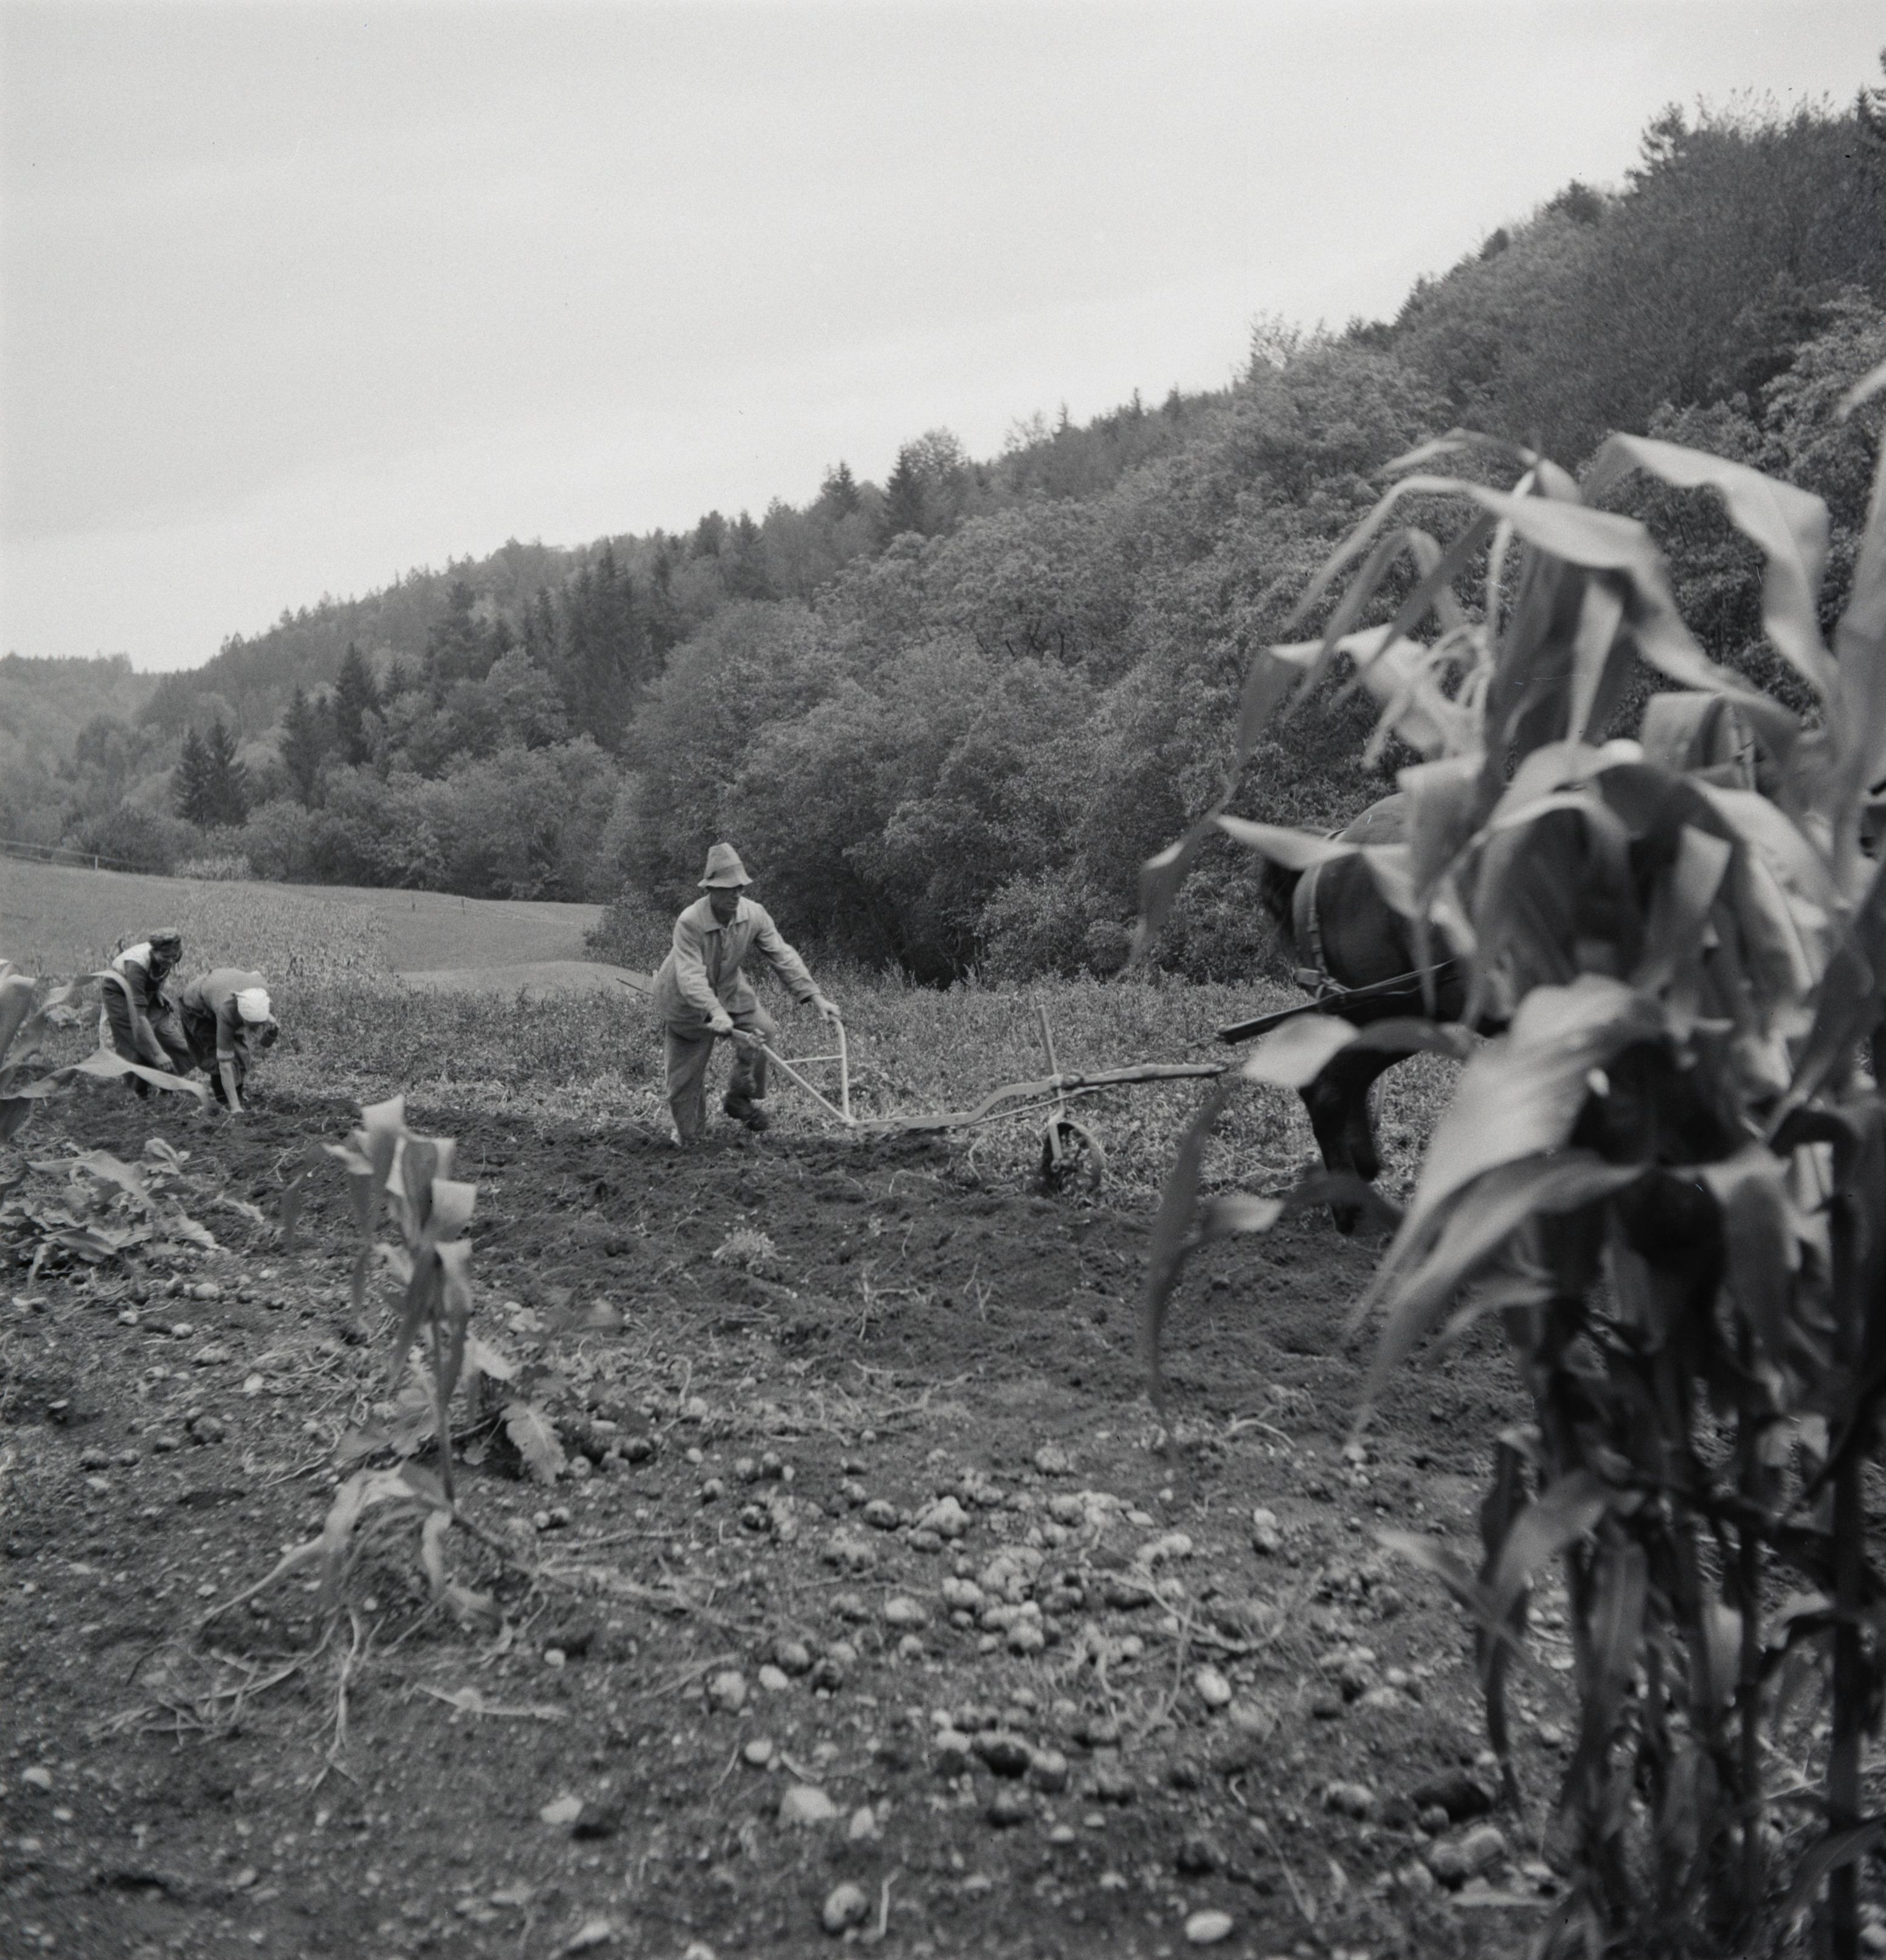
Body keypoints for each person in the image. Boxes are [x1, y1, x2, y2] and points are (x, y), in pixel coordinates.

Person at [651, 843, 839, 1142]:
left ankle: (739, 1096)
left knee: (763, 1030)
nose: (736, 894)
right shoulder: (690, 922)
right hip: (684, 1003)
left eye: (740, 887)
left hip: (729, 988)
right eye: (728, 889)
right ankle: (690, 1137)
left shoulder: (754, 914)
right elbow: (691, 978)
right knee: (684, 1084)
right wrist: (715, 1012)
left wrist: (816, 997)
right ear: (711, 889)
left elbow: (783, 956)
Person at [176, 969, 278, 1113]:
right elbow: (224, 1063)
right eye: (250, 1025)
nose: (254, 1029)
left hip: (221, 990)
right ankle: (225, 1101)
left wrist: (270, 1021)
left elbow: (256, 992)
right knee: (214, 1053)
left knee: (241, 1051)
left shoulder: (262, 992)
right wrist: (235, 1108)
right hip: (197, 1005)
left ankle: (238, 1094)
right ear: (240, 1014)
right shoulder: (227, 1011)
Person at [100, 929, 190, 1091]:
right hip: (118, 992)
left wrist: (158, 992)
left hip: (146, 988)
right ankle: (141, 1091)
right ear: (153, 951)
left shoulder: (175, 953)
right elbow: (139, 1017)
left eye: (174, 956)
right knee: (135, 1038)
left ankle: (170, 1081)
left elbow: (161, 972)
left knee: (164, 1032)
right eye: (166, 957)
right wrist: (158, 1054)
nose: (171, 960)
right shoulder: (135, 966)